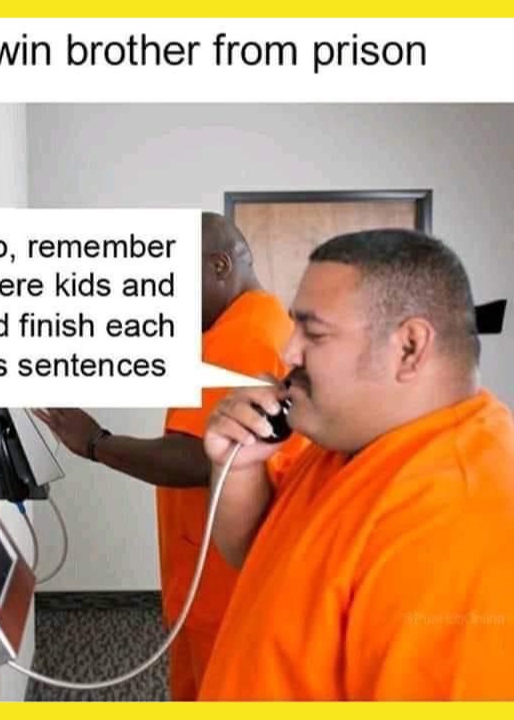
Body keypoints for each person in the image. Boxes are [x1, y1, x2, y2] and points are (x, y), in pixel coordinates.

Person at [199, 228, 514, 700]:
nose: (288, 352)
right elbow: (259, 554)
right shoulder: (354, 437)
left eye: (314, 333)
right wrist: (240, 467)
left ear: (409, 348)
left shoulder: (460, 524)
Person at [33, 211, 306, 700]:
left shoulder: (243, 337)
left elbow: (196, 458)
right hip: (227, 582)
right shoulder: (254, 325)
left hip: (226, 594)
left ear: (219, 265)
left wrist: (95, 443)